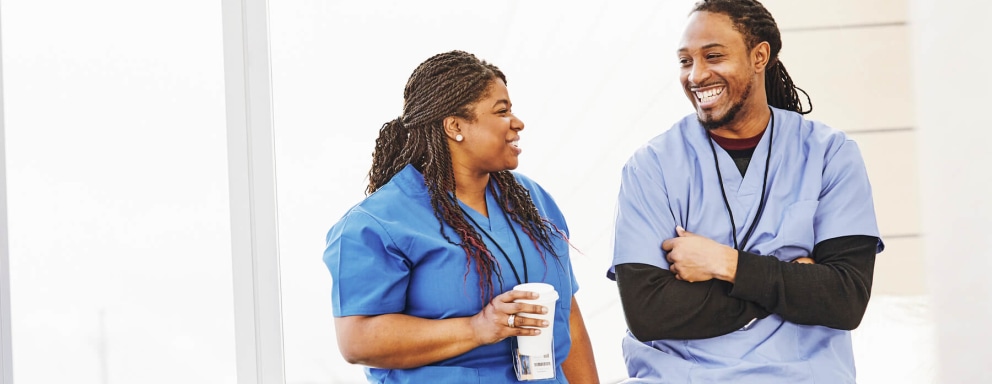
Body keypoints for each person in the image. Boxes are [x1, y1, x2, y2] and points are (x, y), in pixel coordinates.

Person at [608, 1, 884, 383]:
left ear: (759, 56)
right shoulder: (652, 166)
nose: (697, 75)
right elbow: (649, 312)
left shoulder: (828, 154)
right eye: (685, 61)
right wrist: (791, 280)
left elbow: (845, 299)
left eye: (714, 56)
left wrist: (726, 264)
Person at [324, 50, 599, 383]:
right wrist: (478, 328)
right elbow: (358, 339)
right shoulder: (378, 223)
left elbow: (566, 314)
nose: (517, 123)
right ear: (455, 126)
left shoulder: (532, 201)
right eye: (502, 111)